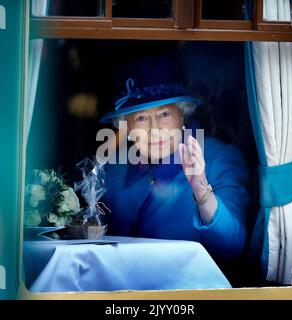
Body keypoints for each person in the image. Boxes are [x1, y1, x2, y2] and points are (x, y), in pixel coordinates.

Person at [98, 62, 250, 265]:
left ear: (182, 116)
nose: (154, 129)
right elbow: (101, 219)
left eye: (164, 115)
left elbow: (233, 246)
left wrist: (201, 190)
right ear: (127, 126)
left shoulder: (219, 158)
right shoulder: (113, 168)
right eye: (141, 118)